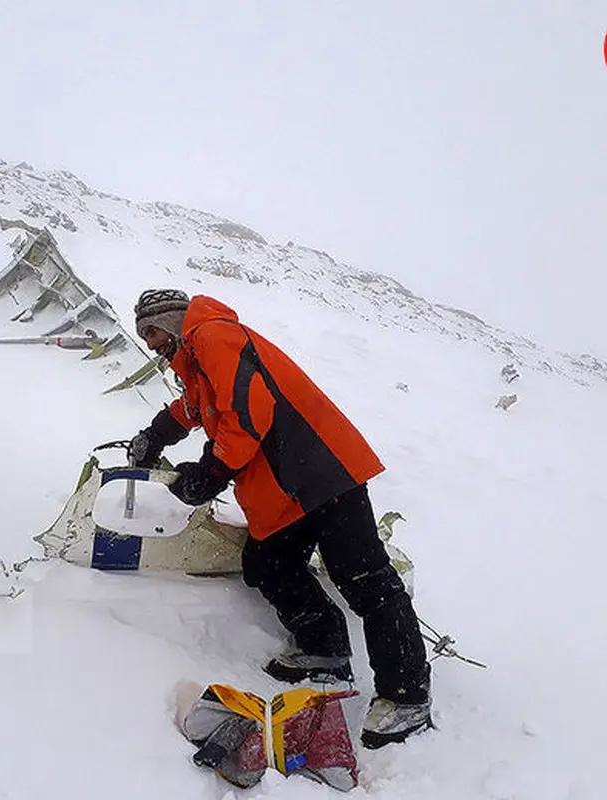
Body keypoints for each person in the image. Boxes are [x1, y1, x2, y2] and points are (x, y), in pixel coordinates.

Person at [127, 288, 432, 749]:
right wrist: (157, 433)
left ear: (173, 321)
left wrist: (210, 473)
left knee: (366, 581)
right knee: (268, 563)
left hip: (324, 472)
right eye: (143, 335)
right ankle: (326, 648)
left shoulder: (212, 335)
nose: (150, 343)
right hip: (286, 488)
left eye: (152, 330)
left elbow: (249, 412)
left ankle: (407, 695)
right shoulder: (197, 359)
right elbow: (197, 406)